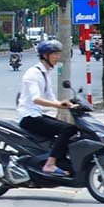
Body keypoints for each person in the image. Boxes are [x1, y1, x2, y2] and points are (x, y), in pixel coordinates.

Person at [18, 39, 78, 174]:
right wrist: (58, 104)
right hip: (29, 117)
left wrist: (70, 104)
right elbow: (36, 99)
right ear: (45, 56)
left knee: (69, 130)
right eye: (54, 54)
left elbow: (50, 97)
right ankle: (49, 164)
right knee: (67, 129)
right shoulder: (33, 74)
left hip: (36, 115)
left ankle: (60, 162)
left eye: (58, 54)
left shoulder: (45, 73)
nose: (57, 57)